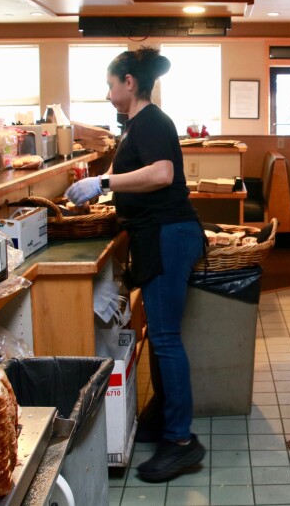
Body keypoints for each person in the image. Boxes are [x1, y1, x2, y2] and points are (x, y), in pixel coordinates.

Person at [65, 47, 206, 483]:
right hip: (157, 234)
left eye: (110, 85)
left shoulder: (152, 122)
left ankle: (181, 442)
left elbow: (163, 174)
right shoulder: (137, 125)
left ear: (129, 82)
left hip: (167, 234)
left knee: (165, 339)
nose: (107, 94)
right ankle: (165, 420)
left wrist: (102, 181)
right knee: (162, 337)